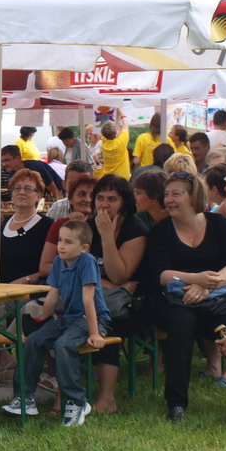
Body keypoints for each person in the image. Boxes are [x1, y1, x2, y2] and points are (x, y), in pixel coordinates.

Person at [148, 171, 226, 420]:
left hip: (215, 300)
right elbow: (160, 274)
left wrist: (207, 286)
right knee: (182, 323)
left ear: (194, 196)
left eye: (176, 194)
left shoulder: (219, 224)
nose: (169, 200)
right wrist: (195, 279)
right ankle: (176, 404)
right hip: (174, 302)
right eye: (167, 194)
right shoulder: (161, 231)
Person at [2, 220, 110, 425]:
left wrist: (95, 333)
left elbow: (88, 299)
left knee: (63, 344)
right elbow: (53, 295)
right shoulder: (59, 262)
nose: (61, 246)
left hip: (91, 319)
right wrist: (43, 321)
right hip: (67, 319)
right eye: (60, 240)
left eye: (68, 242)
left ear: (84, 248)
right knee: (34, 340)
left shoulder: (87, 262)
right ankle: (25, 398)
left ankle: (76, 402)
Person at [86, 175, 148, 413]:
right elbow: (73, 270)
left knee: (105, 323)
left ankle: (107, 397)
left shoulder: (135, 230)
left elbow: (120, 275)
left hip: (130, 305)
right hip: (96, 295)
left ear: (124, 202)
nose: (104, 204)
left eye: (112, 199)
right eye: (100, 198)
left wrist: (107, 237)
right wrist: (106, 284)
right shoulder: (88, 226)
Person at [38, 176, 97, 280]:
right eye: (81, 194)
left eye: (92, 195)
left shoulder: (102, 225)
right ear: (71, 199)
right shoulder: (61, 224)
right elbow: (45, 267)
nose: (87, 199)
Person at [96, 110, 131, 180]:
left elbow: (117, 130)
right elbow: (125, 124)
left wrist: (118, 115)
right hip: (122, 178)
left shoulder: (104, 142)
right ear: (115, 133)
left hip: (107, 177)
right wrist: (121, 110)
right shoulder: (121, 142)